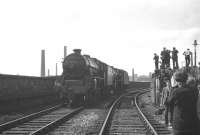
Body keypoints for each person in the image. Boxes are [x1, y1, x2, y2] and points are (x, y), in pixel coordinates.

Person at [167, 70, 198, 135]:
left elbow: (168, 103)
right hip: (194, 124)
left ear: (176, 81)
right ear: (186, 79)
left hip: (179, 125)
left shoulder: (175, 92)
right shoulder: (195, 90)